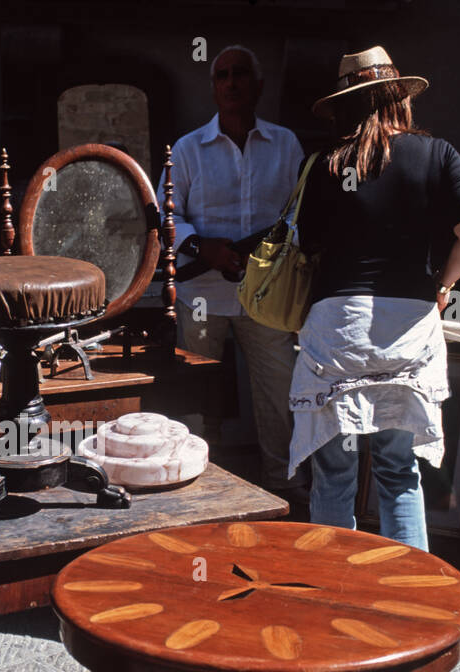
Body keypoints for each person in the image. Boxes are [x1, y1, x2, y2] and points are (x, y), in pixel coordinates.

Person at [288, 46, 460, 551]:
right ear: (400, 97)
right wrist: (443, 286)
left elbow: (307, 245)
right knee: (399, 472)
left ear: (345, 104)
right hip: (409, 324)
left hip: (339, 326)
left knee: (334, 475)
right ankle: (410, 602)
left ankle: (332, 594)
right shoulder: (438, 154)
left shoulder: (327, 164)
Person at [164, 44, 306, 501]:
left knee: (278, 391)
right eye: (221, 75)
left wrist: (262, 253)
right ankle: (195, 487)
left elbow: (298, 214)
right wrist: (201, 246)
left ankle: (284, 488)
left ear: (258, 85)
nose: (231, 83)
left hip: (265, 294)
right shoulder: (188, 149)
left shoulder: (284, 144)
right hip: (201, 292)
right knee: (196, 393)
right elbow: (164, 216)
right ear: (213, 87)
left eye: (240, 74)